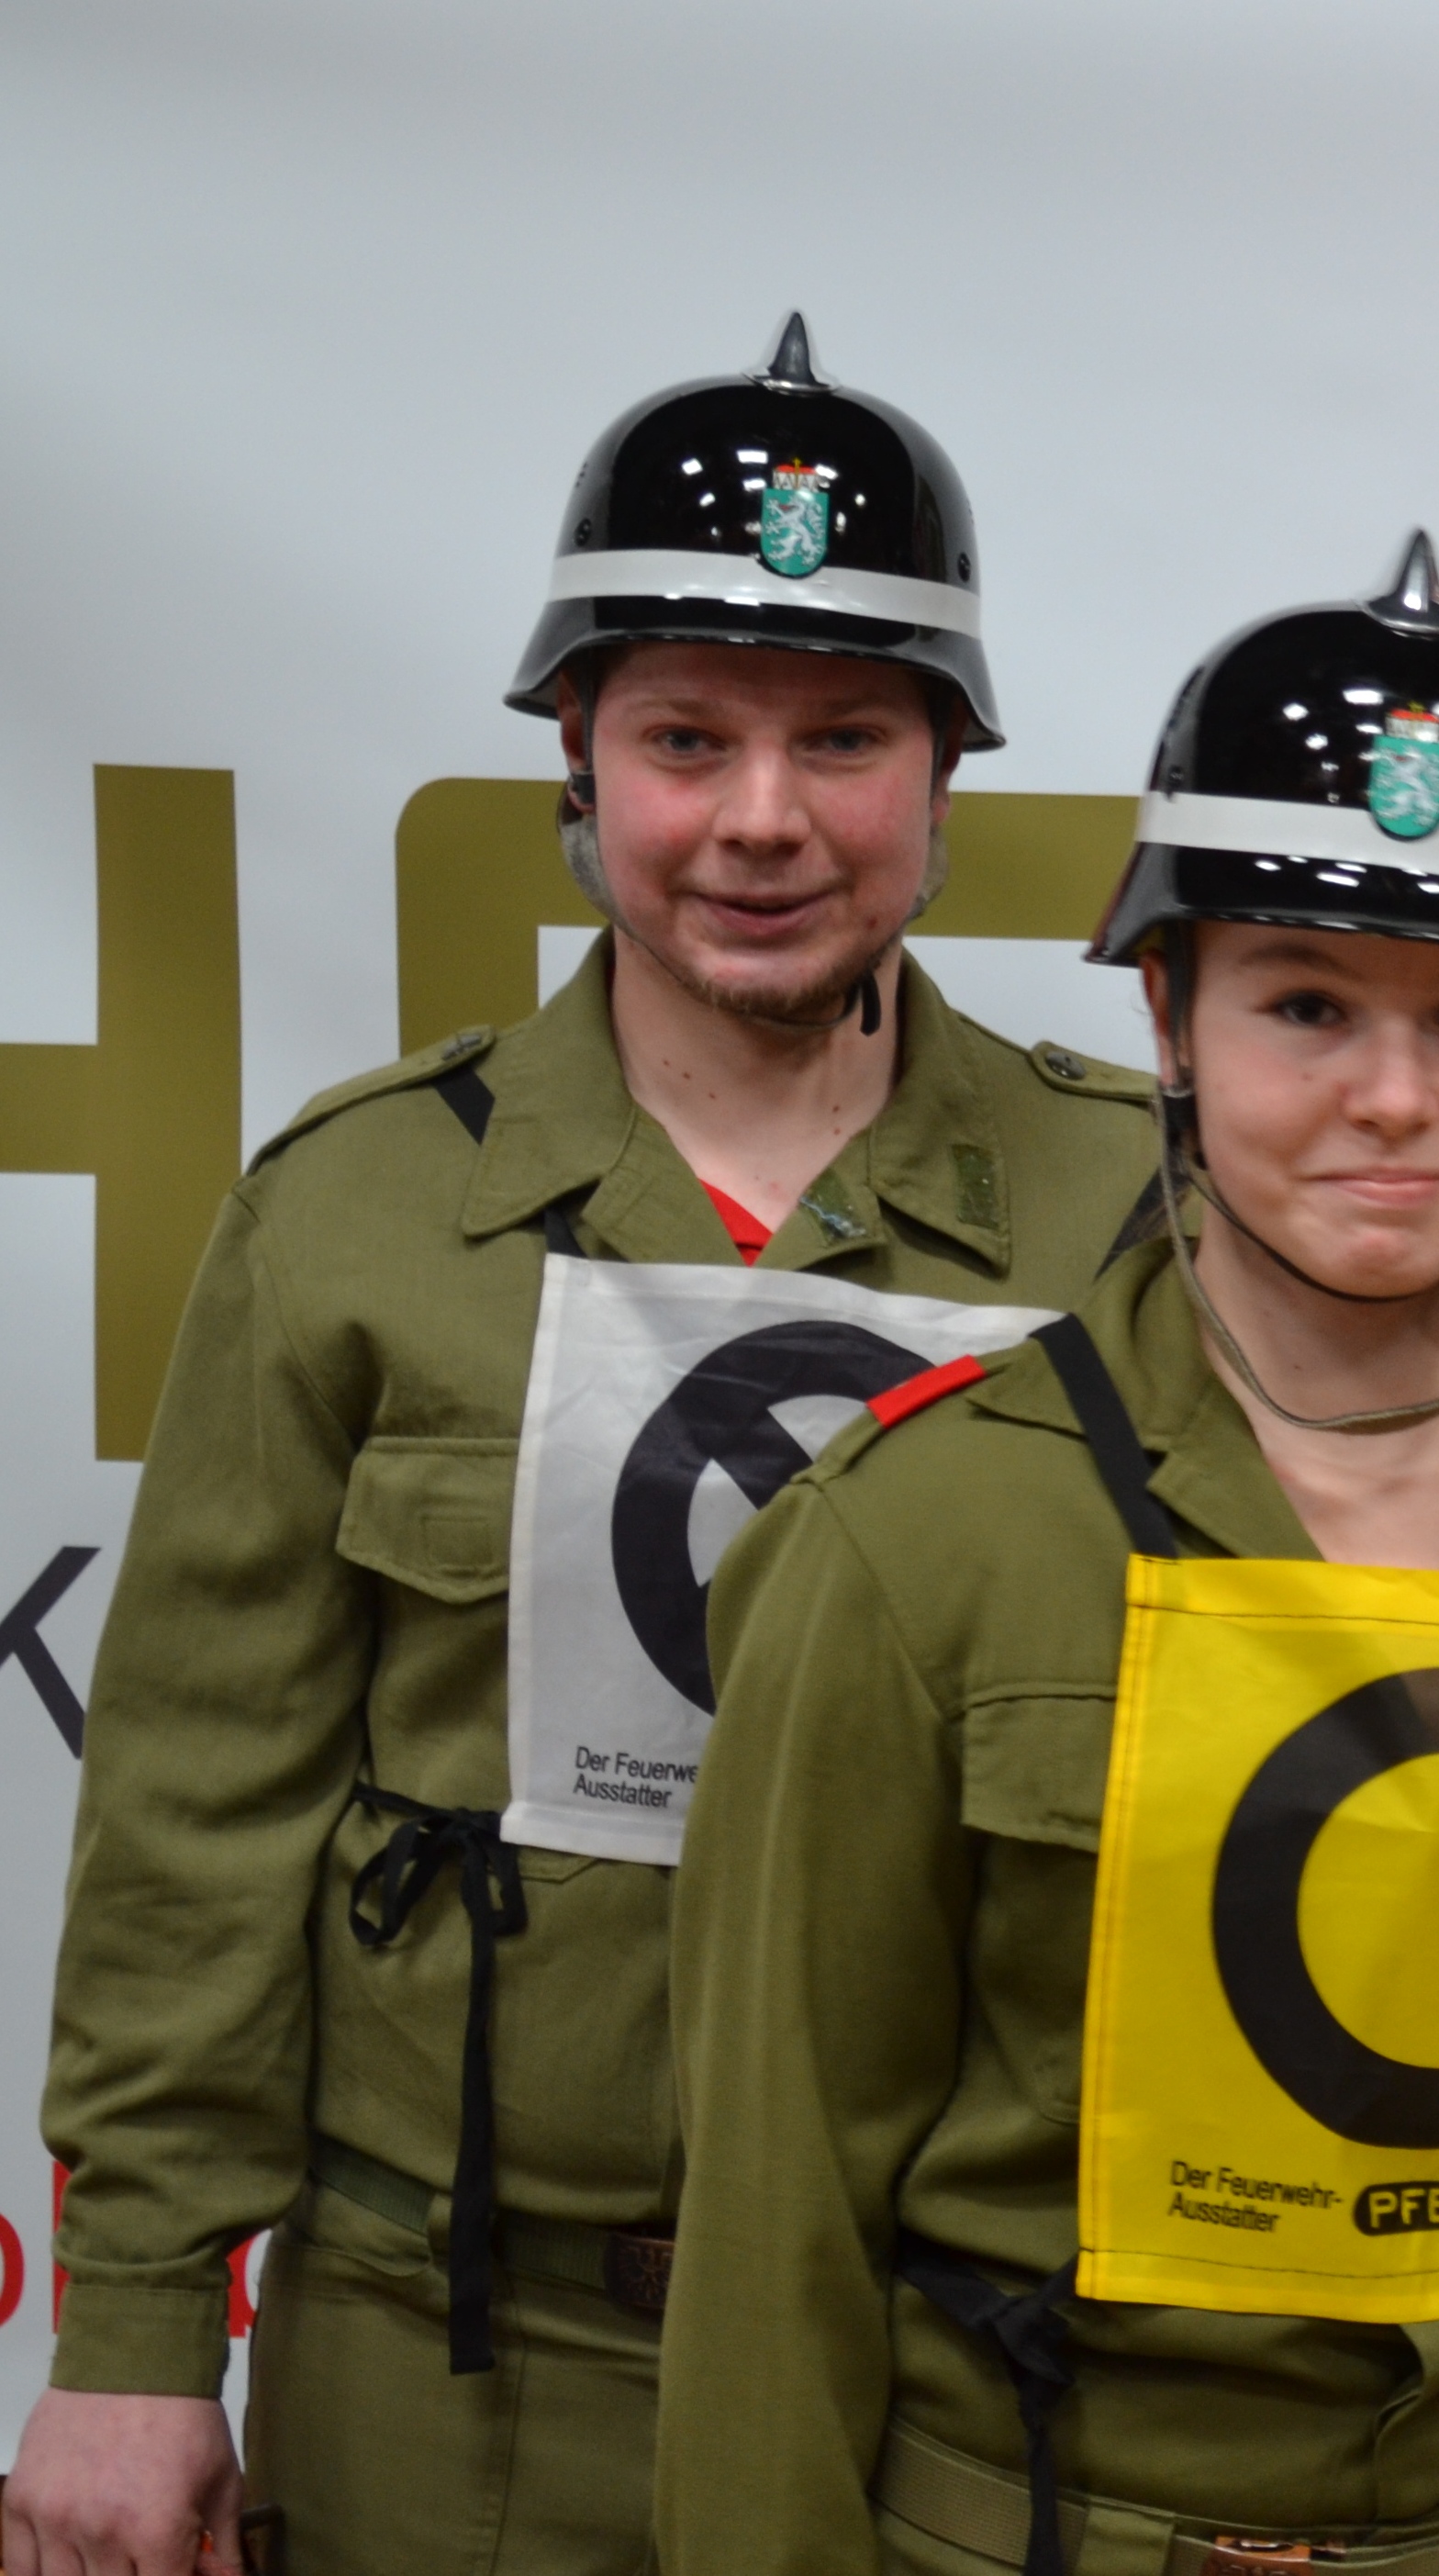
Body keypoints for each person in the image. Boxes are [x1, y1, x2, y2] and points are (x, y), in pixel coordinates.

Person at [9, 314, 1159, 2576]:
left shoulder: (1134, 1222)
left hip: (964, 2364)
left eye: (844, 737)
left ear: (946, 772)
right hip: (449, 2359)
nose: (761, 818)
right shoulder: (353, 1213)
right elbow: (196, 1816)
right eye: (684, 737)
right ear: (575, 754)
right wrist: (134, 2332)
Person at [654, 540, 1439, 2576]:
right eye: (1304, 1002)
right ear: (1169, 1012)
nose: (1391, 1098)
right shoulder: (919, 1536)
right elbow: (775, 2227)